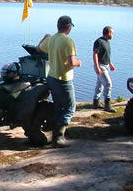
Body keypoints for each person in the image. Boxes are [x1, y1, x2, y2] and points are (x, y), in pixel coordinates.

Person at [37, 15, 82, 148]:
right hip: (63, 79)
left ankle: (55, 135)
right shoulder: (68, 41)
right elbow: (71, 62)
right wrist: (79, 62)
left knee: (58, 106)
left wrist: (45, 37)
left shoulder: (51, 39)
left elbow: (38, 49)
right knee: (70, 107)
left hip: (51, 77)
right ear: (68, 27)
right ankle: (59, 137)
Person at [92, 26, 116, 112]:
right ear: (109, 33)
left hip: (106, 65)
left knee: (100, 85)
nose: (113, 35)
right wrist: (97, 67)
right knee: (108, 83)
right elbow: (95, 55)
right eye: (112, 33)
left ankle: (96, 102)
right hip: (100, 66)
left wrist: (110, 64)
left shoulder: (107, 42)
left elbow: (106, 55)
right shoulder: (99, 42)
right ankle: (107, 105)